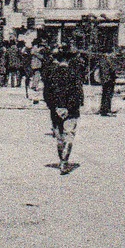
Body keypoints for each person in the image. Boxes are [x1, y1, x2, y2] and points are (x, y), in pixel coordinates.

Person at [41, 43, 84, 172]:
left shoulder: (51, 75)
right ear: (69, 60)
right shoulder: (74, 74)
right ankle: (65, 161)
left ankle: (62, 160)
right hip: (71, 112)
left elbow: (47, 94)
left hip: (55, 112)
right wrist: (68, 108)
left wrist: (55, 108)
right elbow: (78, 95)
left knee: (59, 138)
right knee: (69, 135)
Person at [97, 51, 117, 116]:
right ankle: (106, 110)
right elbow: (112, 69)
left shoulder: (103, 60)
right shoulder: (107, 60)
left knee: (106, 95)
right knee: (107, 95)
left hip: (106, 79)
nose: (113, 55)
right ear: (107, 53)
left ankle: (105, 109)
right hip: (108, 80)